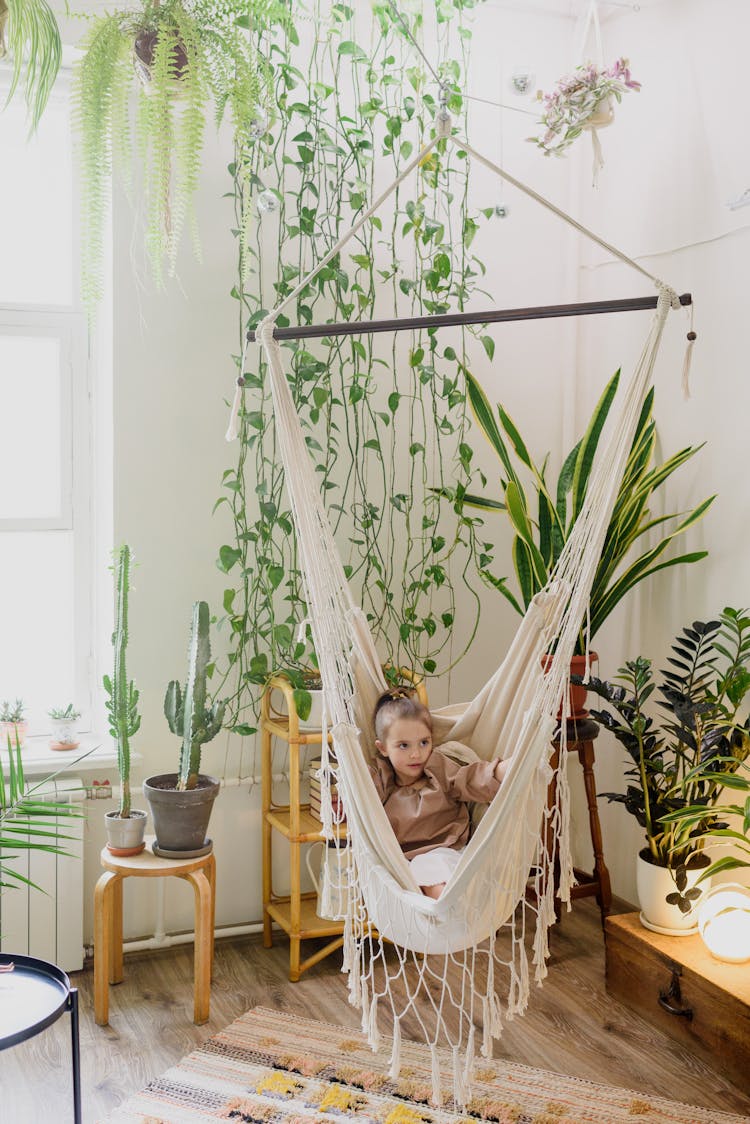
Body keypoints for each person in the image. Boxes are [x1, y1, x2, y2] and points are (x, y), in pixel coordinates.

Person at [370, 690, 509, 900]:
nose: (416, 753)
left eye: (424, 742)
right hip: (406, 865)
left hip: (452, 853)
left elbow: (472, 779)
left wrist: (511, 767)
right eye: (404, 745)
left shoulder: (439, 771)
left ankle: (449, 909)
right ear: (383, 748)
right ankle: (448, 909)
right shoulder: (382, 781)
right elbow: (361, 802)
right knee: (424, 870)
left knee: (435, 869)